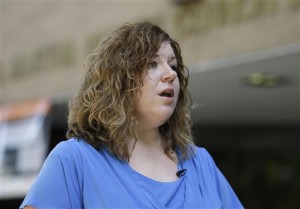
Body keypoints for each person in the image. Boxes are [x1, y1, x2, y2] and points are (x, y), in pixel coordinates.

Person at [20, 22, 243, 209]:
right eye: (152, 64)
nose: (170, 74)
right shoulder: (74, 159)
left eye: (173, 65)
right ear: (118, 81)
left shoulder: (199, 161)